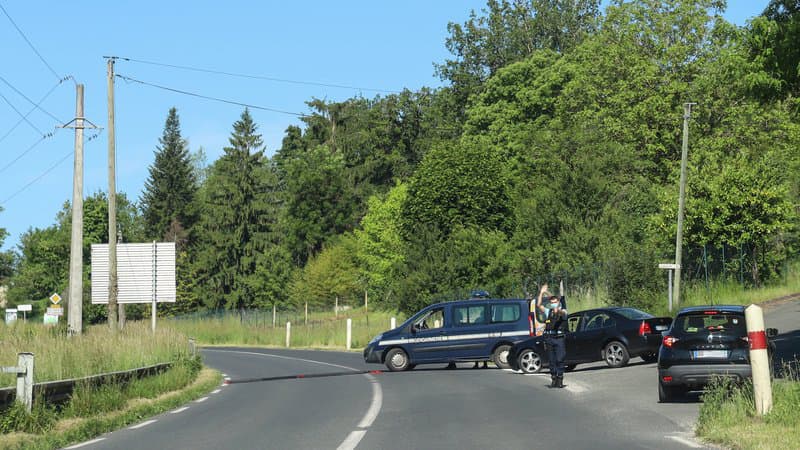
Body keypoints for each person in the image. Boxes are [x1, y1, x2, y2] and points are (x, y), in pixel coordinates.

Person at [538, 284, 568, 388]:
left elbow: (561, 313)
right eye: (552, 303)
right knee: (551, 360)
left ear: (558, 303)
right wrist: (542, 293)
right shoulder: (548, 311)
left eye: (555, 302)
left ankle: (560, 378)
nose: (553, 304)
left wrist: (557, 310)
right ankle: (553, 378)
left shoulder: (563, 311)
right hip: (549, 338)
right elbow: (539, 305)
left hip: (559, 339)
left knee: (560, 359)